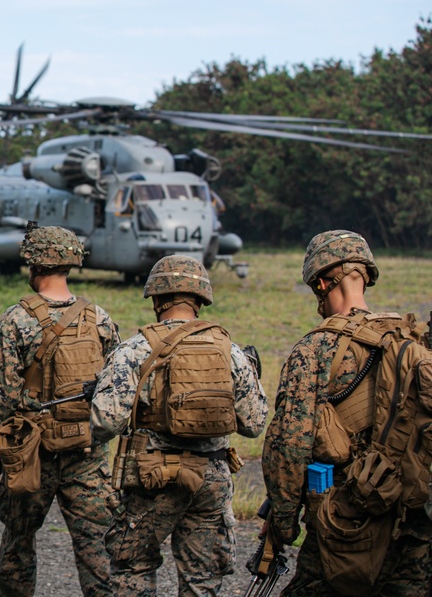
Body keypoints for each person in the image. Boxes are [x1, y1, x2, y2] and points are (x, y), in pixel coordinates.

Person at [262, 230, 432, 596]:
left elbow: (289, 447)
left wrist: (283, 523)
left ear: (321, 283)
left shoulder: (314, 349)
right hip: (410, 518)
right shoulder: (409, 341)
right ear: (365, 277)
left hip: (344, 518)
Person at [91, 254, 267, 597]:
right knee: (202, 579)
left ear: (156, 299)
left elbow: (105, 422)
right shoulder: (230, 351)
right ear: (200, 301)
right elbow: (255, 423)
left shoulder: (135, 350)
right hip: (212, 476)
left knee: (133, 567)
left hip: (153, 474)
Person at [0, 225, 120, 597]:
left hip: (34, 455)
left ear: (33, 264)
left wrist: (7, 446)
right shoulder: (100, 318)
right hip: (88, 453)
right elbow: (115, 391)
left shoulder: (16, 319)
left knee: (18, 540)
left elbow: (0, 399)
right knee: (97, 547)